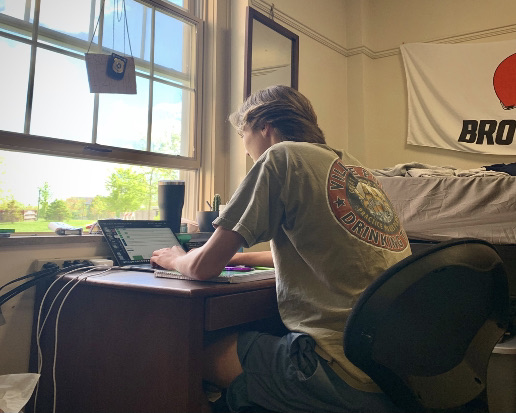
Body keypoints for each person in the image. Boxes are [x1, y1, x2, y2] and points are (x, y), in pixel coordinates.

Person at [151, 85, 412, 413]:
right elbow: (318, 253)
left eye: (243, 135)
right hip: (392, 371)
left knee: (188, 355)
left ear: (264, 126)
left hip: (343, 372)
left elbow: (202, 267)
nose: (246, 151)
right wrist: (237, 257)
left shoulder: (282, 156)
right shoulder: (352, 169)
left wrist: (177, 258)